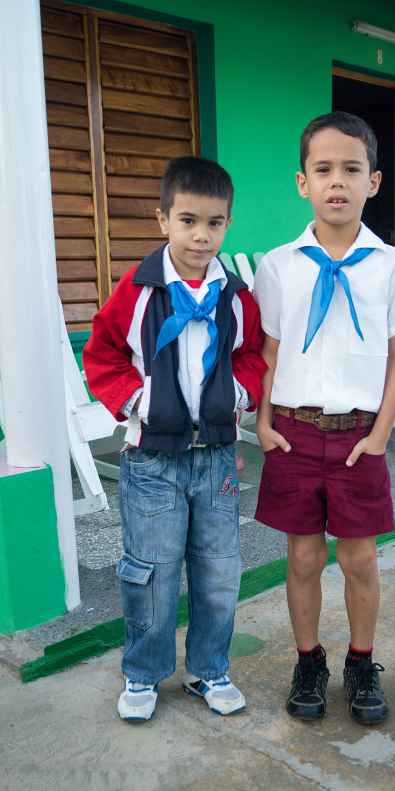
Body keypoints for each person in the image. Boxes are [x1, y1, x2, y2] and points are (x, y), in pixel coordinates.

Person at [254, 111, 395, 725]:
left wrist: (380, 435)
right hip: (294, 434)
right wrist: (263, 423)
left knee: (359, 560)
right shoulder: (279, 266)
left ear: (373, 182)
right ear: (302, 182)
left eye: (352, 169)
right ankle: (309, 662)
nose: (338, 181)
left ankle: (361, 662)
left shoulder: (393, 265)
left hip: (359, 437)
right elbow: (269, 351)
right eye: (323, 168)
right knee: (303, 559)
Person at [84, 156, 266, 722]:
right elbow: (103, 354)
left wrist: (239, 394)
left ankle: (210, 669)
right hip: (151, 463)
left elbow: (252, 355)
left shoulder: (235, 296)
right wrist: (137, 401)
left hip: (216, 461)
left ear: (228, 224)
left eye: (214, 223)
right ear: (163, 219)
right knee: (151, 573)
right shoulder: (137, 291)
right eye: (188, 221)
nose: (200, 235)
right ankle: (143, 673)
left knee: (218, 572)